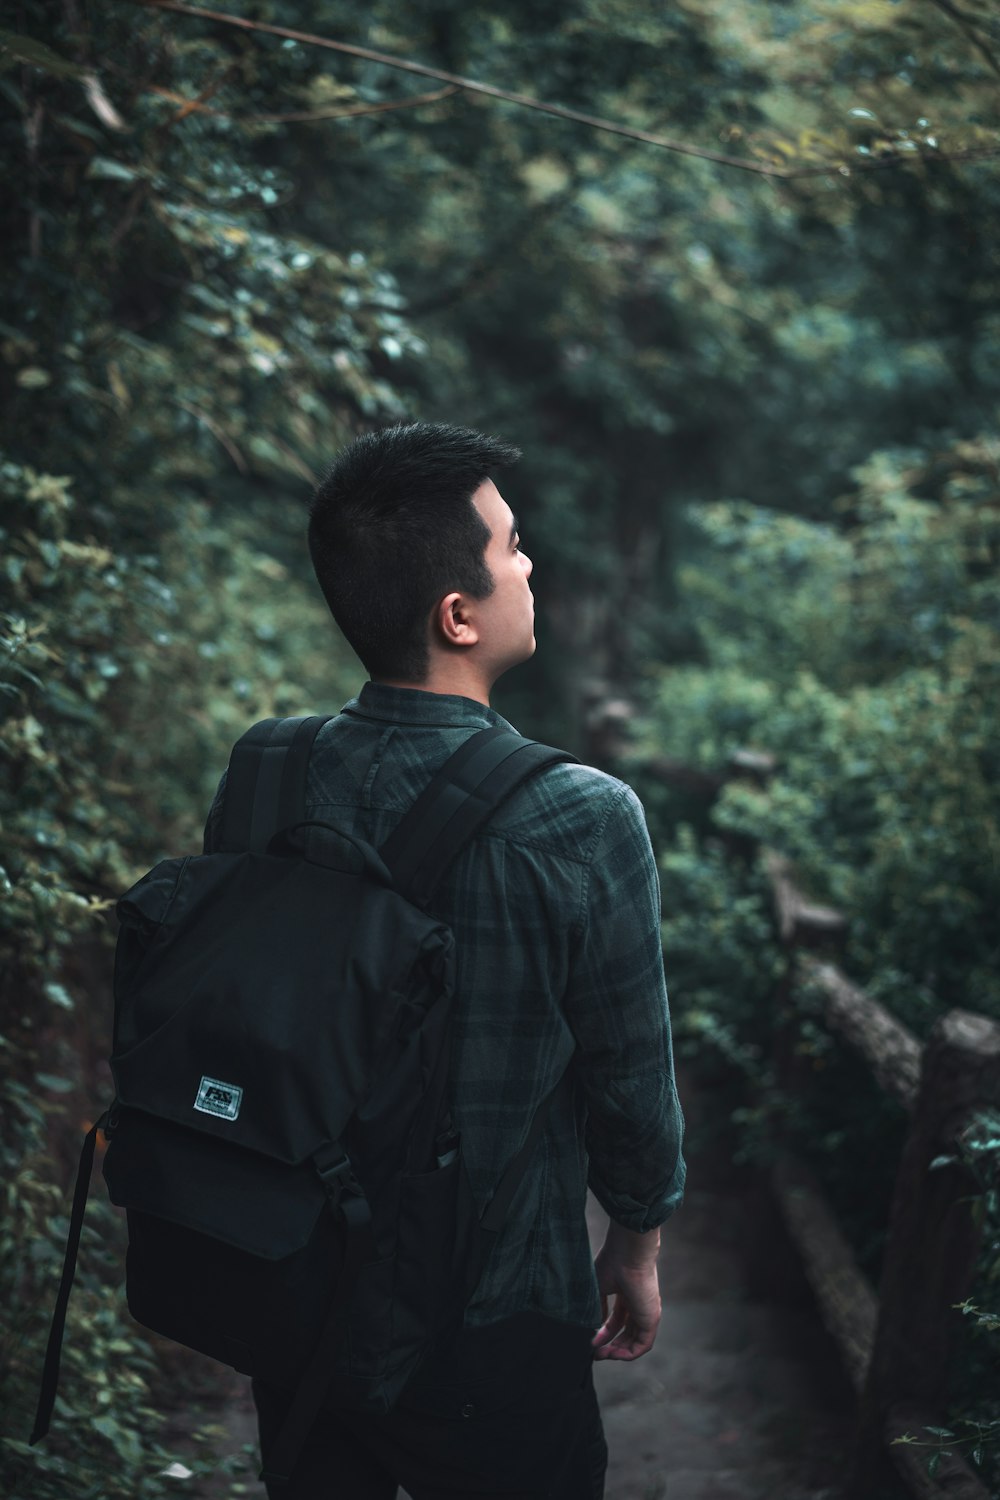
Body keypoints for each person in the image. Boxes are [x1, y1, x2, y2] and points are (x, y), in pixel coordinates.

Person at [205, 421, 685, 1499]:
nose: (530, 565)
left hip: (296, 1284)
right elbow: (629, 1072)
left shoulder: (268, 771)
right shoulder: (581, 817)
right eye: (512, 545)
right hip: (501, 1302)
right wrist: (638, 1242)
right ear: (457, 614)